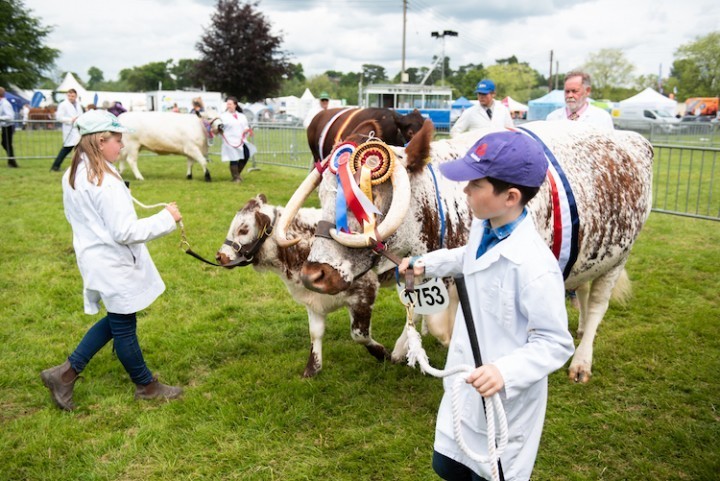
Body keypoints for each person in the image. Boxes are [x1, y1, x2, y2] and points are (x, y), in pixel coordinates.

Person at [398, 131, 575, 481]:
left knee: (489, 473)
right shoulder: (485, 226)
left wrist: (504, 372)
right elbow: (469, 258)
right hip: (465, 383)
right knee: (448, 464)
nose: (465, 191)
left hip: (501, 400)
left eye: (475, 185)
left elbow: (556, 343)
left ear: (510, 197)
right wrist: (428, 263)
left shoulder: (534, 267)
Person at [40, 109, 184, 411]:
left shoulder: (75, 171)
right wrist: (166, 219)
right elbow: (125, 231)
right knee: (124, 326)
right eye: (118, 139)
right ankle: (146, 385)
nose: (122, 144)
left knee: (118, 319)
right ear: (101, 140)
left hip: (97, 257)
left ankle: (64, 373)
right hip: (111, 260)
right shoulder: (104, 181)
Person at [546, 71, 614, 130]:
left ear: (587, 91)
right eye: (567, 91)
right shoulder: (552, 118)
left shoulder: (602, 118)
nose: (570, 95)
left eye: (574, 91)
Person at [220, 96, 254, 183]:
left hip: (241, 140)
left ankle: (237, 174)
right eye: (227, 104)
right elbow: (220, 126)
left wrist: (247, 129)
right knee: (233, 158)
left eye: (230, 104)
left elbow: (245, 126)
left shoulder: (241, 116)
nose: (228, 105)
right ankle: (236, 178)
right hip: (229, 140)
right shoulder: (223, 116)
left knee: (246, 154)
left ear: (235, 105)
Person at [50, 89, 83, 171]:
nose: (71, 98)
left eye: (73, 96)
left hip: (78, 130)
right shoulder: (63, 105)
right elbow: (59, 117)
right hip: (69, 129)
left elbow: (81, 115)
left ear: (76, 96)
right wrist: (71, 119)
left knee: (80, 149)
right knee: (66, 149)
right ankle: (55, 166)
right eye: (69, 96)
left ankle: (79, 167)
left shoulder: (78, 105)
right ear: (67, 96)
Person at [0, 87, 18, 168]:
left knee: (7, 144)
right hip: (4, 126)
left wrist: (1, 118)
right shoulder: (1, 103)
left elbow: (10, 116)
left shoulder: (5, 104)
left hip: (8, 126)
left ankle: (12, 161)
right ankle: (11, 161)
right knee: (5, 144)